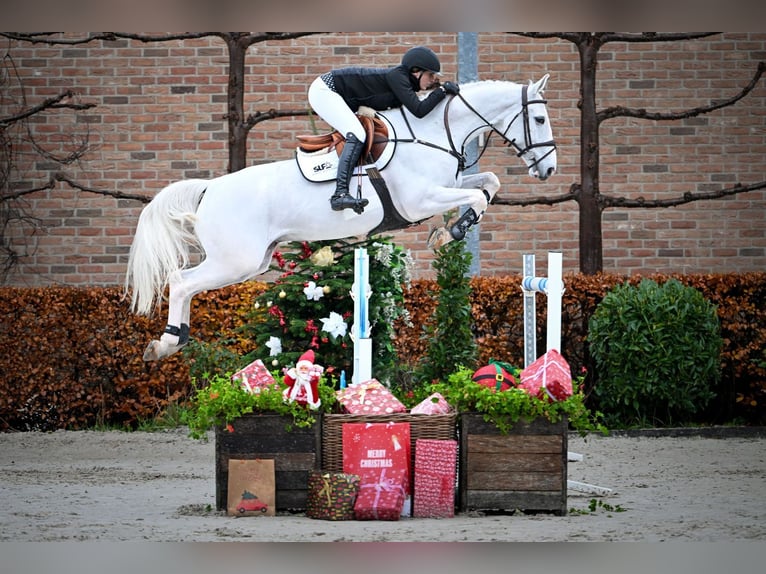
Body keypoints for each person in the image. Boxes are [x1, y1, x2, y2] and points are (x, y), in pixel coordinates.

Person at [308, 45, 460, 213]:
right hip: (325, 90)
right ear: (416, 71)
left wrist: (441, 90)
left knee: (360, 134)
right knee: (357, 134)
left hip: (335, 93)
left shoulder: (404, 81)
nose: (433, 79)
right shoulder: (398, 77)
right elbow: (419, 110)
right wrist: (442, 90)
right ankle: (339, 195)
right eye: (430, 74)